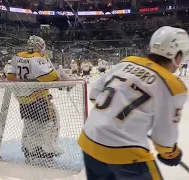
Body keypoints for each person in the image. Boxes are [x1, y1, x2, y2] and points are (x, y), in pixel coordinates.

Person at [78, 26, 188, 180]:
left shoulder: (126, 62)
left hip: (89, 140)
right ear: (178, 56)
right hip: (126, 154)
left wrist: (120, 118)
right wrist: (171, 154)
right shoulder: (173, 86)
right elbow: (164, 139)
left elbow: (95, 95)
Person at [6, 35, 65, 159]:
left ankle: (28, 148)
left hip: (22, 99)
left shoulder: (17, 56)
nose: (44, 48)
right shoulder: (37, 58)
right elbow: (46, 76)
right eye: (43, 46)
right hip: (38, 97)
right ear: (39, 46)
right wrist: (57, 75)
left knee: (30, 123)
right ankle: (44, 149)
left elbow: (10, 75)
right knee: (50, 122)